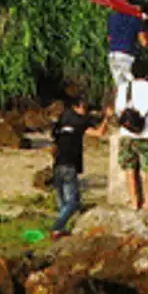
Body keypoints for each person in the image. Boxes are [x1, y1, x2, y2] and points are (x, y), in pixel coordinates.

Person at [50, 95, 101, 237]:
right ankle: (57, 226)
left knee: (63, 203)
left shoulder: (60, 123)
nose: (85, 110)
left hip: (57, 165)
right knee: (73, 202)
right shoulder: (80, 122)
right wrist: (107, 120)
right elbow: (99, 133)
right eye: (84, 107)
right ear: (76, 107)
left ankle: (59, 231)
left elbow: (53, 147)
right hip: (69, 166)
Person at [113, 75, 148, 211]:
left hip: (126, 134)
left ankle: (134, 201)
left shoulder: (123, 88)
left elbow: (119, 110)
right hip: (146, 133)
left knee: (129, 167)